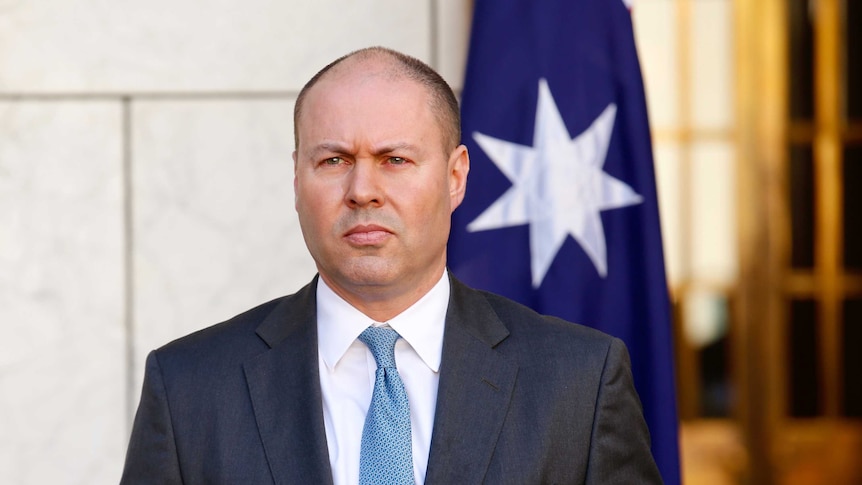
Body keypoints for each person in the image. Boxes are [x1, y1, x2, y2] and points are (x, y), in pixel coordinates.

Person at [120, 46, 662, 484]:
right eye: (333, 160)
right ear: (296, 179)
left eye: (394, 160)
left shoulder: (581, 383)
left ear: (455, 177)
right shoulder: (189, 388)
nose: (363, 191)